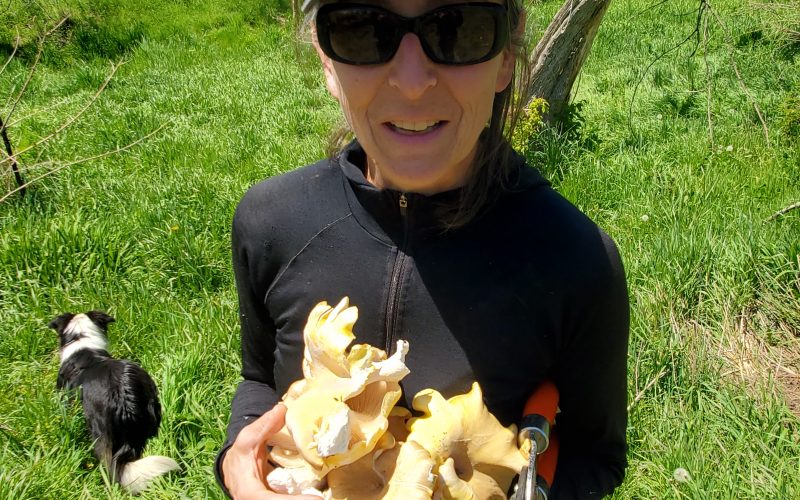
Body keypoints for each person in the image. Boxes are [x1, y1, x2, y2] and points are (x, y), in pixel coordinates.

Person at [216, 0, 630, 498]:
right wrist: (238, 463)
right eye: (363, 28)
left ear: (505, 54)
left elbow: (594, 457)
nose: (412, 82)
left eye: (459, 27)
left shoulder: (574, 260)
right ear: (325, 56)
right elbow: (261, 381)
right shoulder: (270, 222)